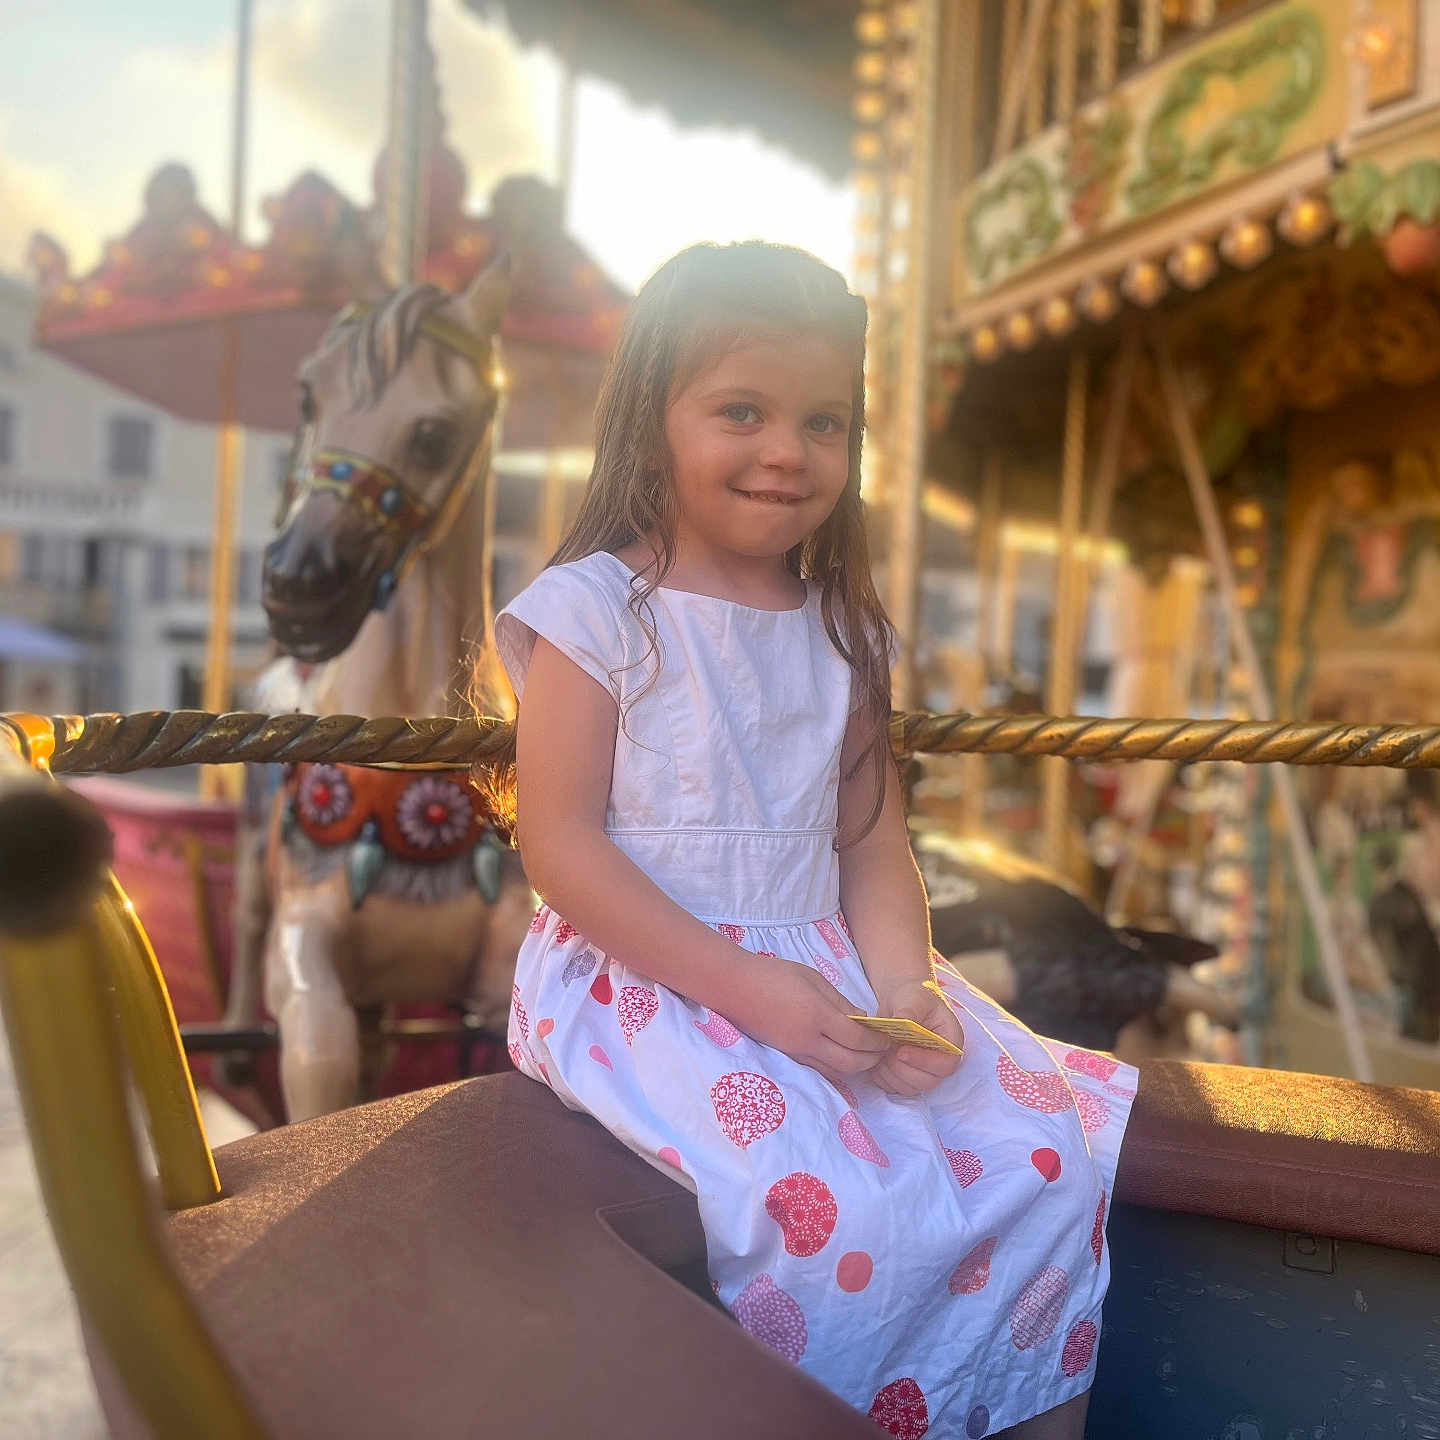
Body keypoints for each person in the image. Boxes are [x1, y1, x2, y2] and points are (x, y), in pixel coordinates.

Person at [493, 242, 1135, 1439]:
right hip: (654, 976)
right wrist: (750, 987)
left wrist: (909, 985)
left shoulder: (843, 632)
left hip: (828, 966)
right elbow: (564, 851)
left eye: (825, 421)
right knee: (834, 1205)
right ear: (652, 423)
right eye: (743, 411)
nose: (788, 450)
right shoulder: (594, 611)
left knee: (1047, 1148)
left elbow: (869, 842)